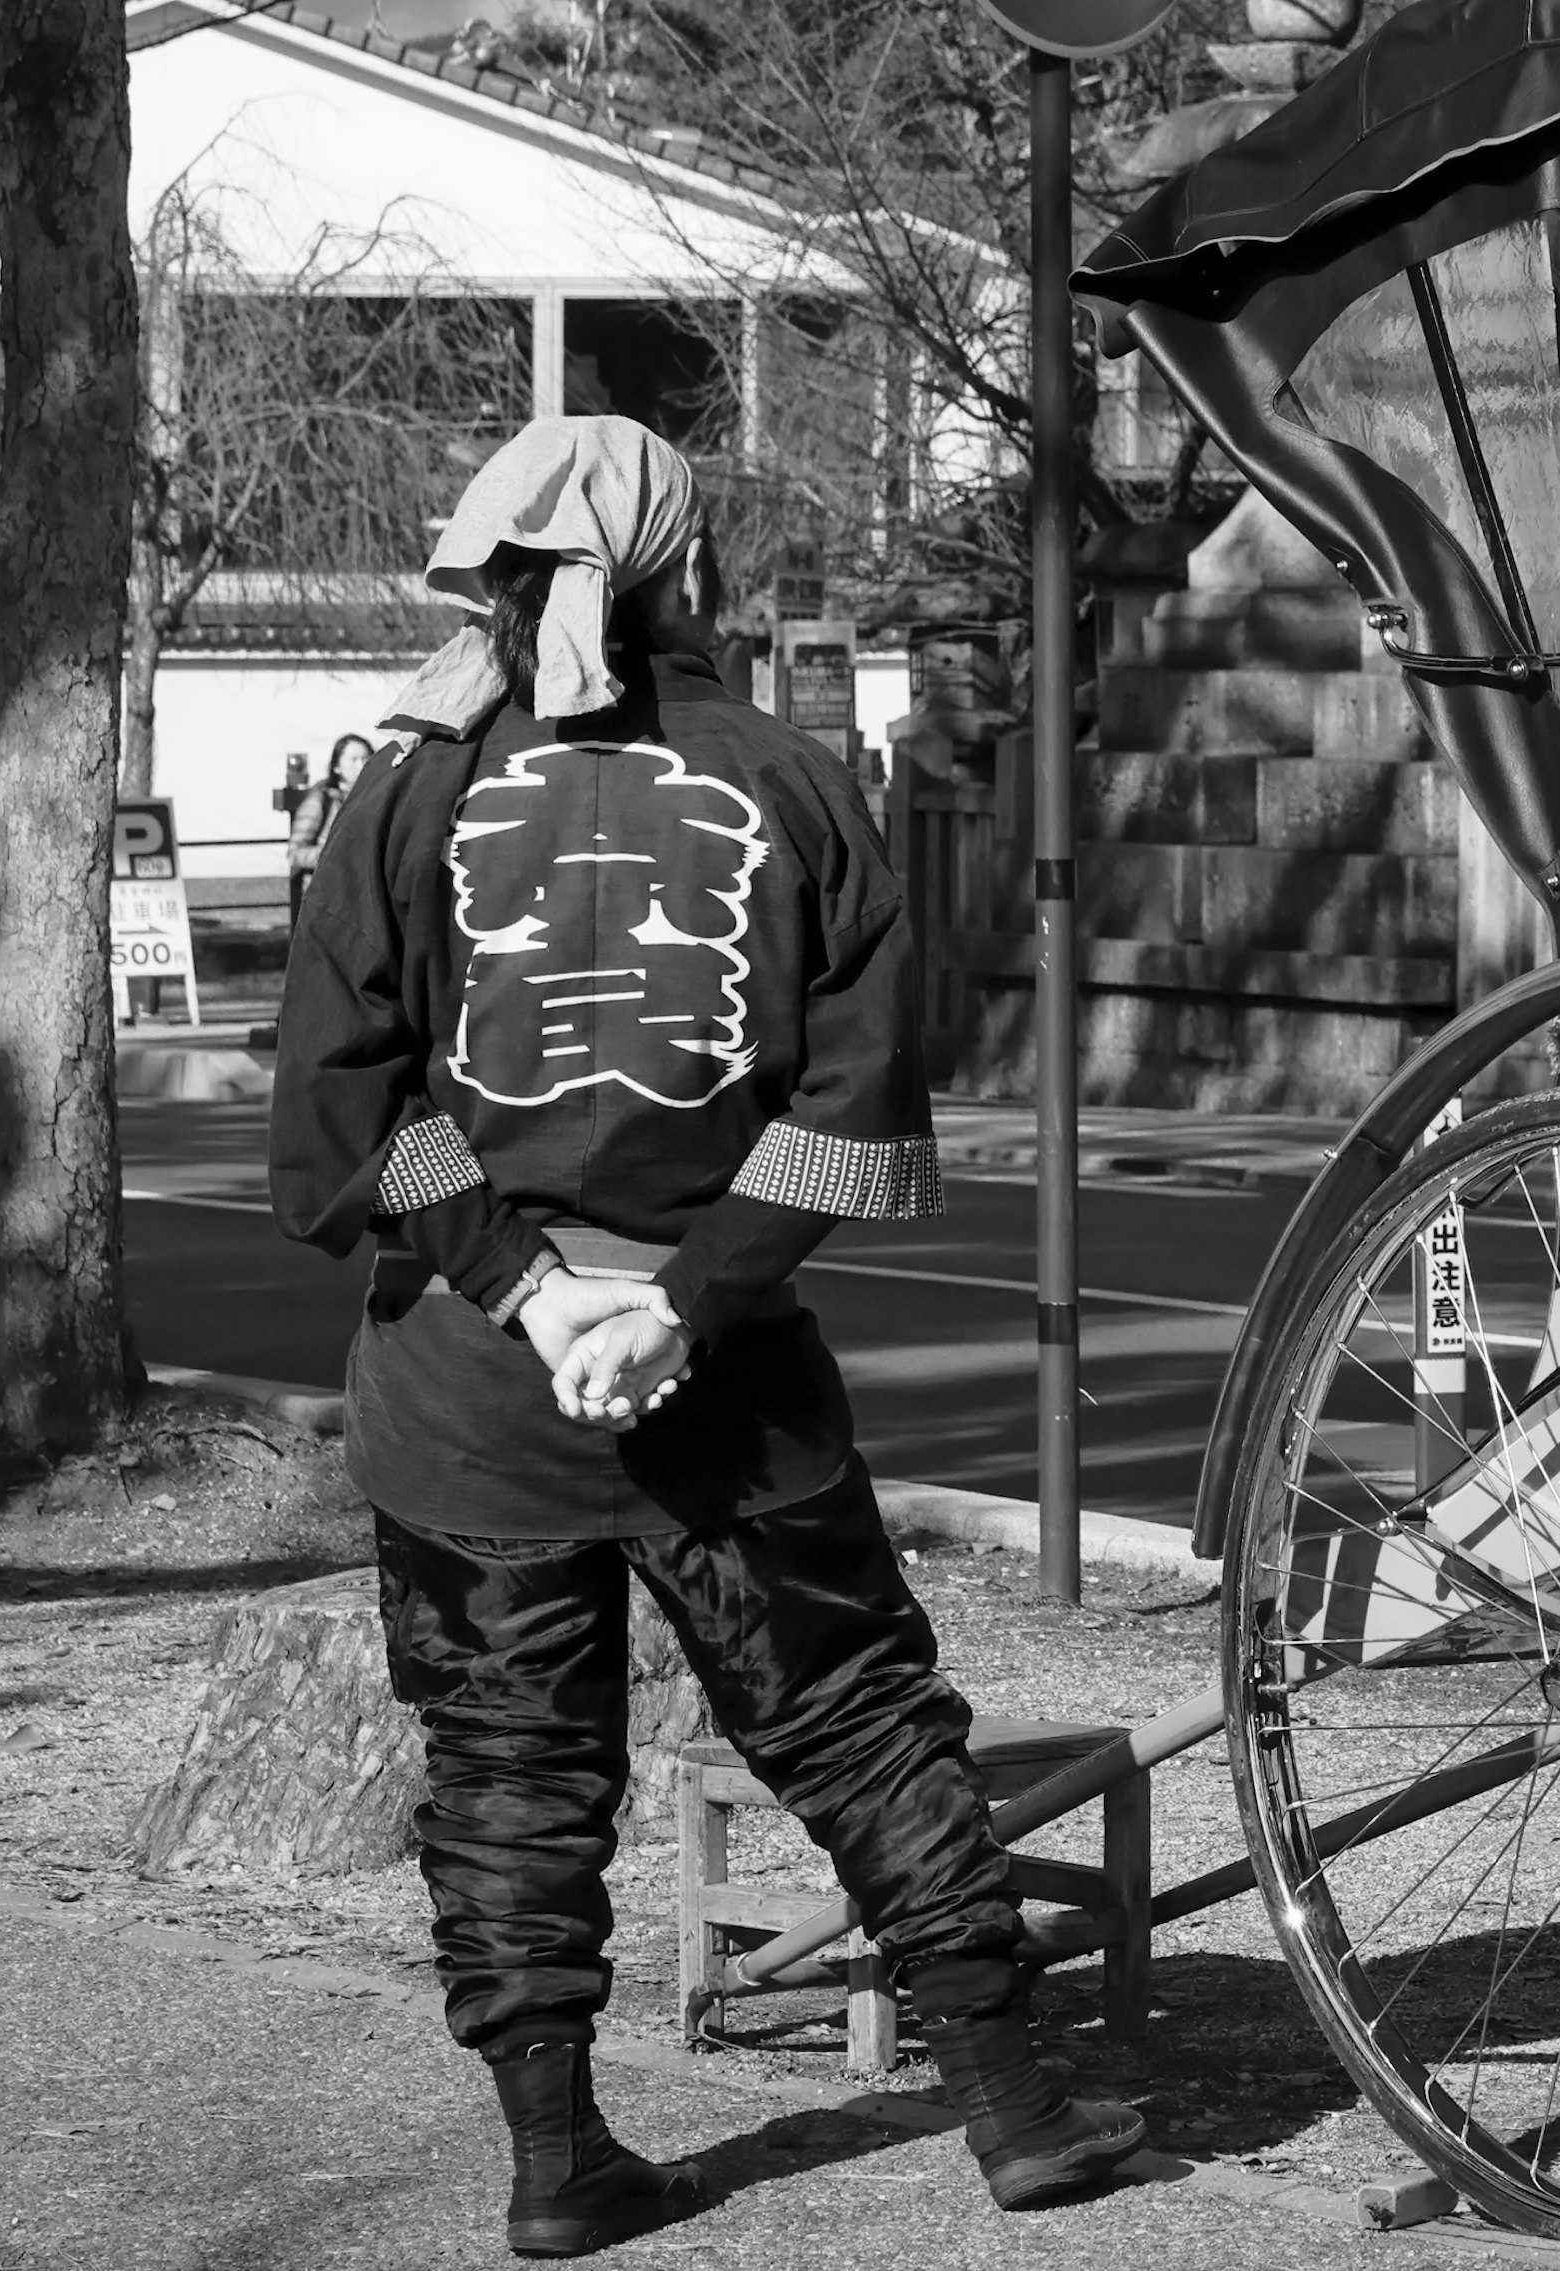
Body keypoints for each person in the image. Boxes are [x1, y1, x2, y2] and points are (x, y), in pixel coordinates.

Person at [268, 415, 1143, 2258]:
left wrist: (530, 1282)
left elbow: (339, 1118)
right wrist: (684, 1293)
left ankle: (556, 2158)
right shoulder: (796, 776)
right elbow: (862, 1094)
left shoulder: (405, 791)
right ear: (688, 563)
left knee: (510, 1762)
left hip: (467, 1378)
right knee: (856, 1717)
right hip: (725, 1367)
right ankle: (1014, 2103)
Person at [285, 731, 375, 929]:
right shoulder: (320, 801)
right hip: (326, 901)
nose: (361, 765)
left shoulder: (376, 800)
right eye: (353, 759)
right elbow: (295, 853)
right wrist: (333, 856)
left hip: (364, 902)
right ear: (337, 767)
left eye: (366, 758)